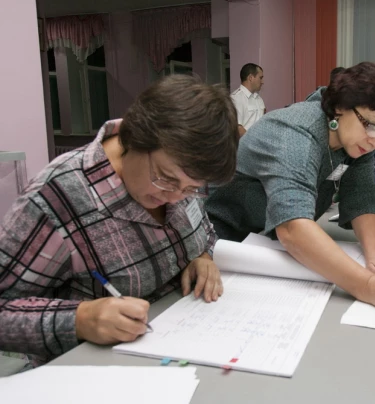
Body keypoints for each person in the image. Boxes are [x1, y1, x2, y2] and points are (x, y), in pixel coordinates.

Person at [0, 75, 239, 366]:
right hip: (92, 374)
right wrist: (79, 319)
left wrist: (202, 254)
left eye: (191, 189)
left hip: (177, 349)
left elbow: (205, 231)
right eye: (165, 179)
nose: (177, 197)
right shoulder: (56, 197)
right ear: (134, 138)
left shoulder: (180, 177)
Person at [206, 62, 375, 312]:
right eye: (372, 125)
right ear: (340, 107)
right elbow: (293, 228)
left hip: (268, 244)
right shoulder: (296, 134)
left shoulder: (354, 138)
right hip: (226, 246)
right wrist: (368, 286)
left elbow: (363, 197)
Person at [231, 63, 266, 137]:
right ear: (250, 78)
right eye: (260, 78)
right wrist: (254, 142)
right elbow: (237, 129)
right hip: (244, 146)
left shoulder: (259, 99)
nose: (262, 82)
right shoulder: (236, 98)